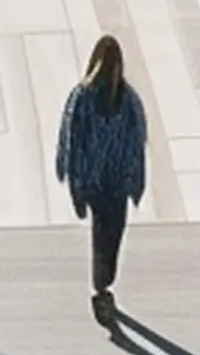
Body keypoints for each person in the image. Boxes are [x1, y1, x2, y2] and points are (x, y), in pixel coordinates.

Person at [54, 33, 148, 326]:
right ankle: (102, 285)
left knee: (108, 232)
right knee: (107, 232)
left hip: (107, 181)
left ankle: (103, 283)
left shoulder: (123, 99)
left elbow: (135, 141)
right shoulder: (88, 97)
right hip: (104, 182)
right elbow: (73, 139)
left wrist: (74, 180)